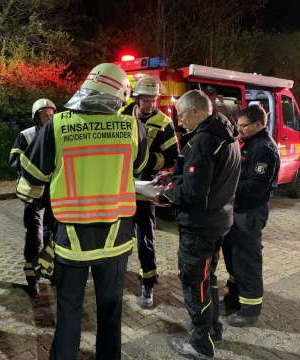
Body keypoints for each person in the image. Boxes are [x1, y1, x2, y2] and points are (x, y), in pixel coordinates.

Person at [16, 63, 148, 359]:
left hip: (72, 241)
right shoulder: (132, 126)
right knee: (111, 311)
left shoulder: (58, 125)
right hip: (116, 239)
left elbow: (33, 176)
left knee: (69, 309)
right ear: (119, 93)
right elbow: (138, 167)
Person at [157, 90, 241, 359]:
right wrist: (174, 177)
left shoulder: (203, 141)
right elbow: (208, 180)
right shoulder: (225, 135)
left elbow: (194, 192)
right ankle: (213, 330)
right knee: (208, 280)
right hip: (218, 221)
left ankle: (201, 344)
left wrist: (166, 193)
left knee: (195, 285)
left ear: (195, 111)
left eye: (181, 116)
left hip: (199, 226)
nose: (179, 122)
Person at [121, 75, 178, 308]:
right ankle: (117, 274)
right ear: (137, 98)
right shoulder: (123, 115)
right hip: (122, 186)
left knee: (146, 238)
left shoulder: (164, 123)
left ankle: (148, 283)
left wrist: (145, 161)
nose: (149, 104)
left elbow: (173, 156)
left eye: (153, 100)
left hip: (144, 189)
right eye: (145, 99)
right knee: (121, 235)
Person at [221, 105, 280, 327]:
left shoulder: (264, 149)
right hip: (238, 210)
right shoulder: (250, 144)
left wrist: (227, 187)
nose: (240, 129)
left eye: (244, 125)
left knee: (247, 260)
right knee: (234, 255)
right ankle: (236, 296)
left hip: (250, 212)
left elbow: (256, 187)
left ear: (259, 124)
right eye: (239, 125)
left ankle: (250, 310)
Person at [9, 98, 57, 297]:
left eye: (52, 114)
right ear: (37, 117)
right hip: (34, 194)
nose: (49, 117)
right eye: (45, 115)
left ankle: (51, 271)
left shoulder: (59, 134)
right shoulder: (26, 135)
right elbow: (14, 160)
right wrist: (34, 170)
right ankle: (32, 278)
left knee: (53, 235)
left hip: (54, 193)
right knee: (34, 237)